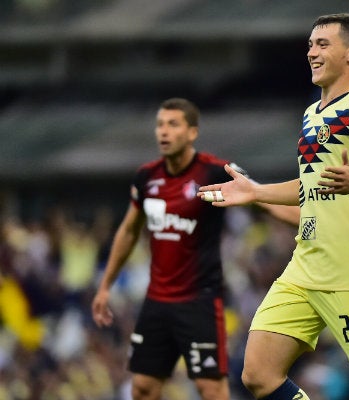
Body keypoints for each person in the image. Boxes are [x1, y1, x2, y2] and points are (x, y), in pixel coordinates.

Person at [198, 13, 349, 400]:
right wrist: (256, 192)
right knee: (257, 372)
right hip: (305, 266)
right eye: (310, 44)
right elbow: (309, 186)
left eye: (323, 44)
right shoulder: (311, 114)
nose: (312, 52)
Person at [91, 97, 297, 400]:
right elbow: (129, 229)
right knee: (142, 389)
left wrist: (313, 222)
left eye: (173, 124)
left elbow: (262, 200)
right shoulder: (147, 177)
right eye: (160, 124)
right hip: (156, 302)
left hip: (199, 302)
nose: (164, 131)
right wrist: (106, 284)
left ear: (192, 133)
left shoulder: (214, 172)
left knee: (211, 389)